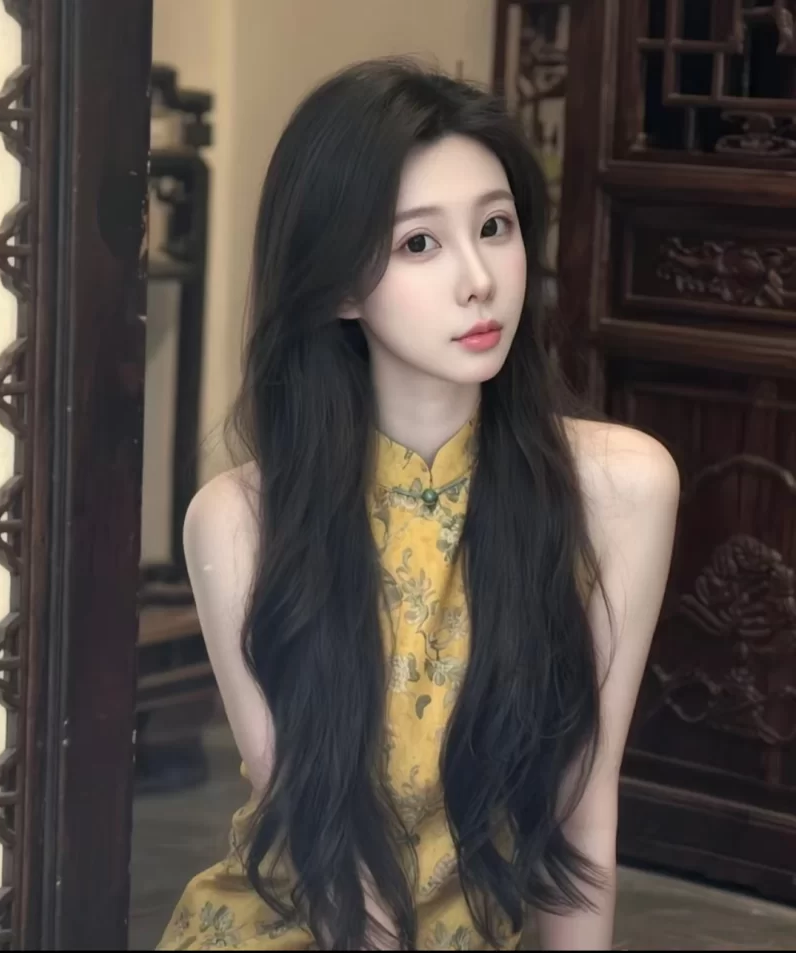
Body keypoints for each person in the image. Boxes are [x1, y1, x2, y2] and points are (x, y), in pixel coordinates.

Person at [157, 58, 679, 952]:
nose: (479, 278)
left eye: (495, 226)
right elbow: (324, 852)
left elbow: (583, 805)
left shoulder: (620, 486)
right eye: (419, 244)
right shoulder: (239, 521)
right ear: (337, 285)